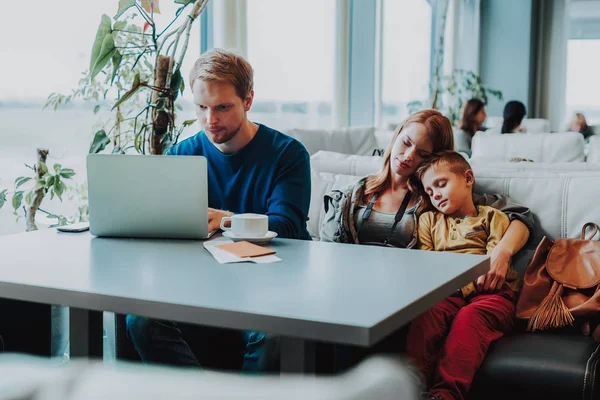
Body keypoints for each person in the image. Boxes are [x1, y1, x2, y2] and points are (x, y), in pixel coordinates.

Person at [126, 48, 312, 372]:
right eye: (201, 107)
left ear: (248, 100)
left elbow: (288, 226)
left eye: (223, 107)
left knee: (271, 335)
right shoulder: (182, 155)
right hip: (201, 281)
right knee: (140, 320)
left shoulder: (288, 154)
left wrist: (224, 219)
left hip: (271, 282)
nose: (210, 120)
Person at [319, 109, 532, 381]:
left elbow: (521, 216)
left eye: (422, 154)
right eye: (406, 143)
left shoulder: (437, 198)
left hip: (398, 302)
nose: (409, 156)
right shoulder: (354, 194)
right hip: (349, 293)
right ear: (396, 136)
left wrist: (501, 252)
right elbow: (328, 251)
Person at [408, 151, 519, 400]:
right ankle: (409, 389)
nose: (435, 194)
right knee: (426, 313)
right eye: (429, 191)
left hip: (493, 294)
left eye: (441, 184)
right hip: (447, 292)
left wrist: (462, 288)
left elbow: (490, 265)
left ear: (468, 178)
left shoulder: (493, 216)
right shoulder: (428, 221)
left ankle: (446, 394)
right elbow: (427, 263)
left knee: (469, 317)